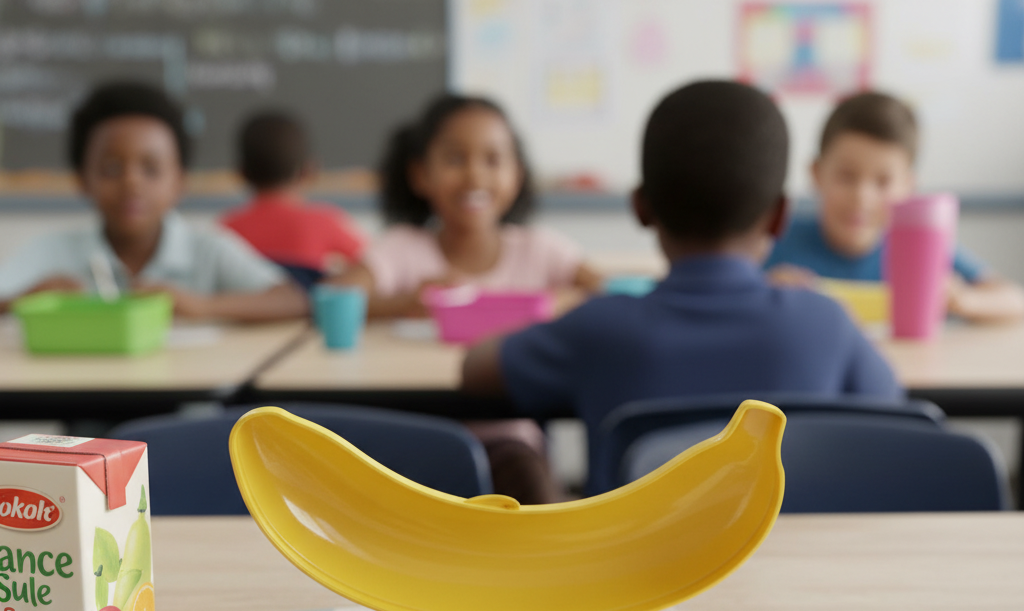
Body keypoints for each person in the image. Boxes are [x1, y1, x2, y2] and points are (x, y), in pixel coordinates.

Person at [462, 80, 902, 494]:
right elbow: (896, 413)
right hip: (796, 570)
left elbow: (475, 369)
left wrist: (568, 315)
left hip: (637, 574)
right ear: (779, 215)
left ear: (641, 208)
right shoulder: (824, 323)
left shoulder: (598, 328)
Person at [0, 81, 307, 322]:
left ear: (179, 182)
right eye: (111, 169)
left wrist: (201, 306)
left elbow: (293, 299)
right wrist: (28, 299)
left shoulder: (208, 249)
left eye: (151, 169)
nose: (131, 183)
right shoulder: (52, 251)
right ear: (82, 179)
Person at [766, 91, 1024, 324]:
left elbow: (1015, 301)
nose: (862, 197)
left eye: (883, 182)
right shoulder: (774, 238)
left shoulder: (922, 251)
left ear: (908, 187)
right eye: (846, 177)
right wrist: (763, 292)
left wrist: (962, 299)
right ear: (817, 174)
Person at [336, 93, 602, 318]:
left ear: (517, 175)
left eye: (493, 160)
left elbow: (608, 294)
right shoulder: (402, 249)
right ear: (420, 175)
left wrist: (551, 303)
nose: (475, 176)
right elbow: (336, 296)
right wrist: (404, 304)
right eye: (455, 159)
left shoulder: (541, 250)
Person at [221, 110, 366, 288]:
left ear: (241, 173)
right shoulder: (323, 222)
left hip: (245, 313)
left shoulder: (227, 230)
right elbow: (372, 265)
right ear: (310, 170)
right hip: (307, 312)